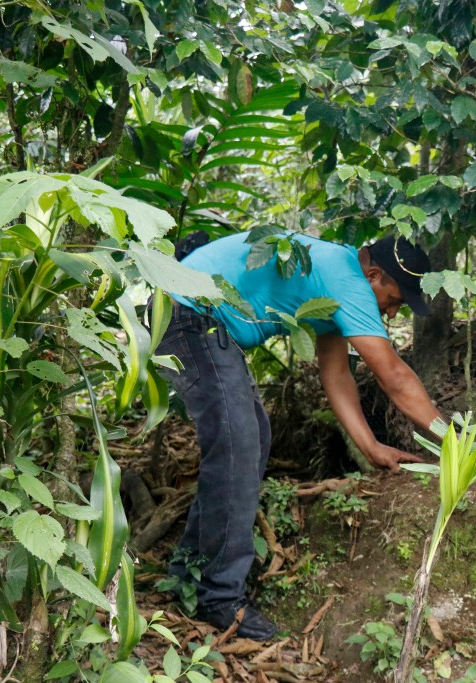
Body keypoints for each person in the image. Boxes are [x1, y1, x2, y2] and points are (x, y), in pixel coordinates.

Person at [155, 232, 443, 640]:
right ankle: (218, 597)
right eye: (394, 300)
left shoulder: (335, 280)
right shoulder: (347, 280)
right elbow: (393, 375)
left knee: (251, 440)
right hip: (187, 313)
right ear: (374, 275)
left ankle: (189, 573)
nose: (393, 313)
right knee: (240, 444)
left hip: (197, 318)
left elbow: (336, 373)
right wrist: (455, 439)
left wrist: (371, 446)